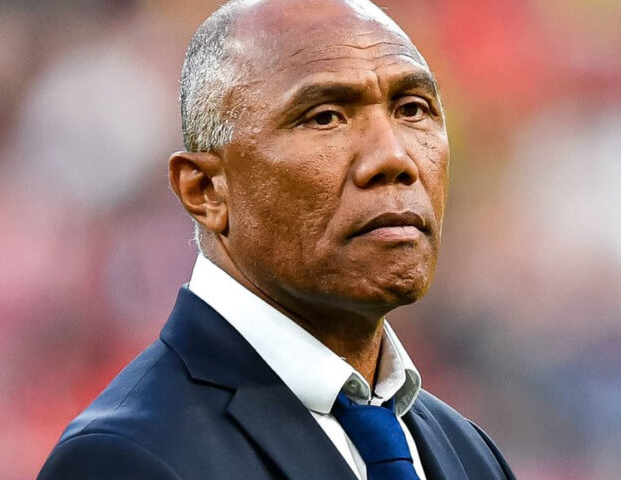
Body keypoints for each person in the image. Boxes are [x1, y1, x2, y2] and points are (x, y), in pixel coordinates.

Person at [37, 0, 516, 478]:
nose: (393, 158)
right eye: (325, 117)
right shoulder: (125, 457)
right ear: (205, 190)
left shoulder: (471, 456)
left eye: (412, 109)